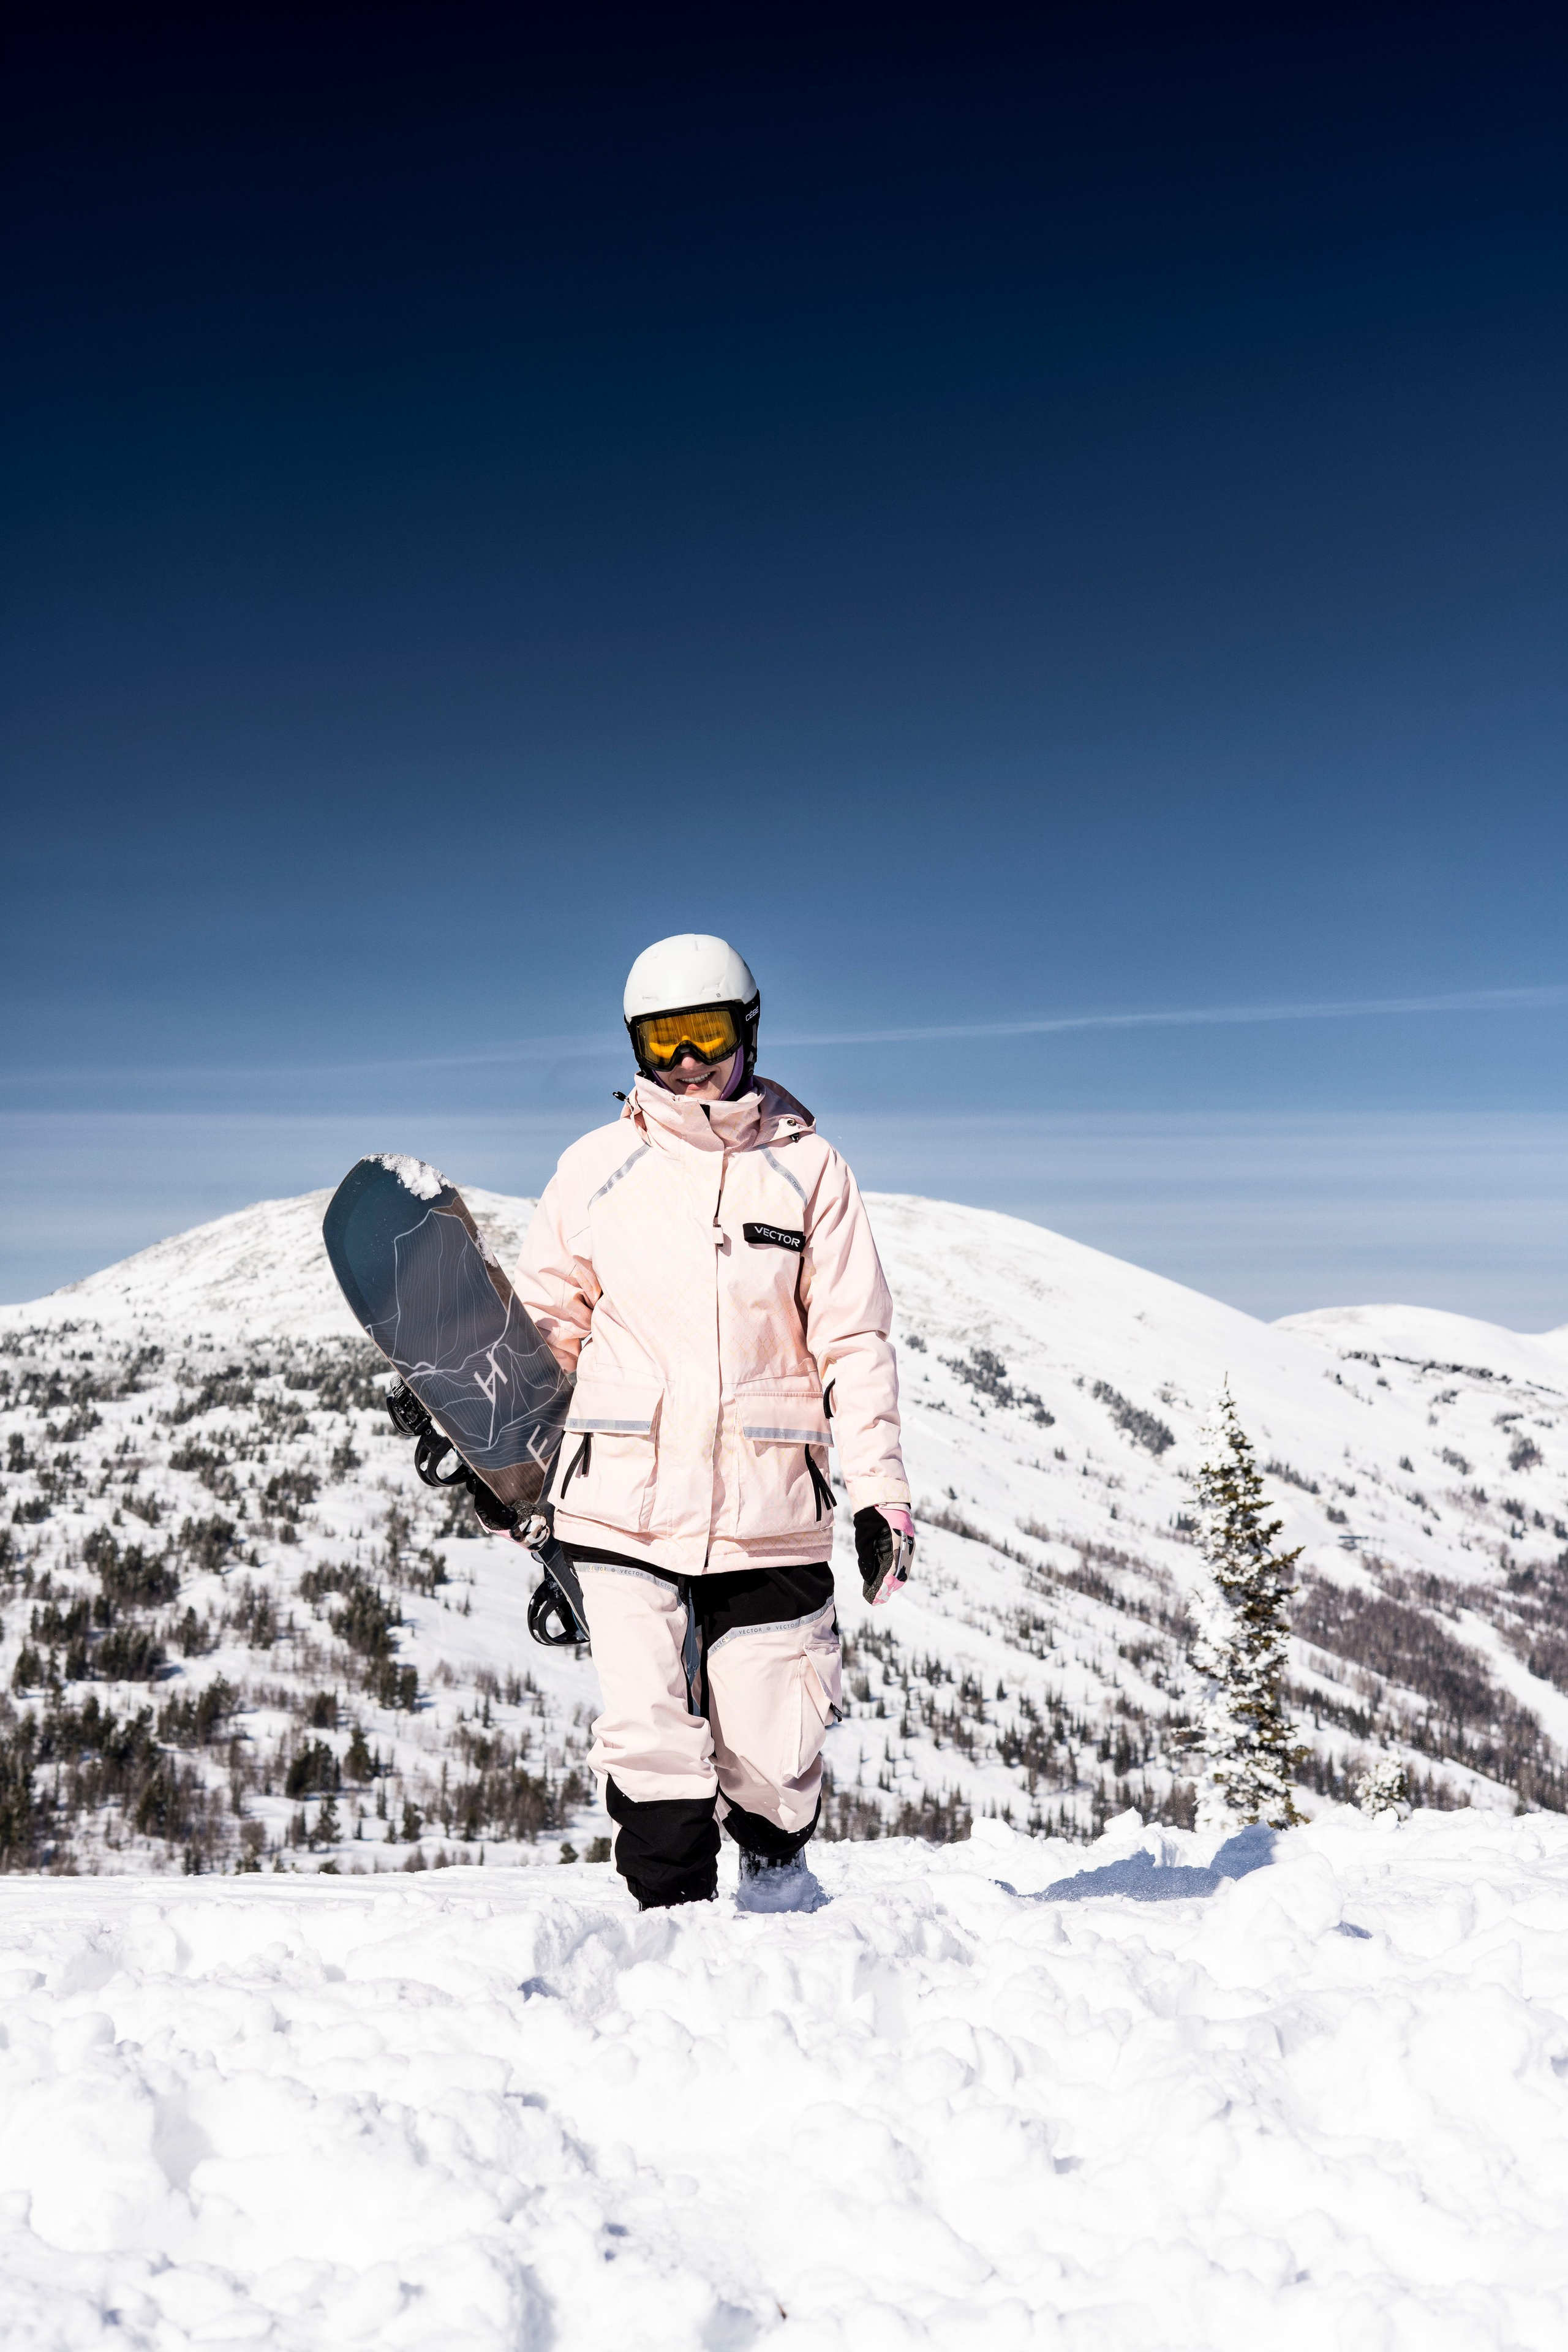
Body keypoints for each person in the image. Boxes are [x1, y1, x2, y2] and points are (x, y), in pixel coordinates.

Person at [511, 933, 914, 1909]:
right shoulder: (596, 1167)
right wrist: (497, 1450)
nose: (688, 1063)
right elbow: (547, 1328)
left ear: (750, 1033)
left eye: (707, 1035)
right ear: (637, 1049)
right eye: (663, 1043)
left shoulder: (811, 1171)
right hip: (619, 1505)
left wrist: (883, 1498)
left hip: (770, 1505)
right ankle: (669, 1942)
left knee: (775, 1764)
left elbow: (854, 1342)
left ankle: (777, 1905)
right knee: (651, 1747)